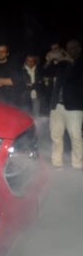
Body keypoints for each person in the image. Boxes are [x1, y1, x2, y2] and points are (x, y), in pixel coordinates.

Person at [48, 39, 83, 170]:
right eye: (68, 48)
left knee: (76, 136)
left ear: (79, 49)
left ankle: (77, 164)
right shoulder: (62, 63)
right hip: (57, 105)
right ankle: (57, 162)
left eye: (73, 47)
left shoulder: (80, 63)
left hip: (75, 106)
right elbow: (46, 72)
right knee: (56, 136)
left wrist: (70, 62)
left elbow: (75, 78)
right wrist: (50, 60)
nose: (69, 50)